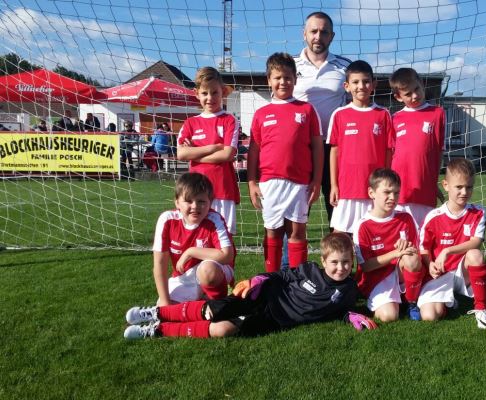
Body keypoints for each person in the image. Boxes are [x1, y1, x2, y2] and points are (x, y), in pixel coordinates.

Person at [124, 232, 377, 339]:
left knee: (221, 329)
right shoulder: (310, 269)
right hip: (264, 297)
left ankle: (157, 331)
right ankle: (156, 312)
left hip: (274, 320)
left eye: (346, 262)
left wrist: (351, 315)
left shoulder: (348, 290)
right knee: (212, 310)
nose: (341, 267)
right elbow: (282, 275)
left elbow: (341, 310)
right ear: (323, 261)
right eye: (335, 262)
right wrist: (259, 279)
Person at [248, 52, 323, 272]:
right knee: (272, 232)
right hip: (269, 183)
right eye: (278, 77)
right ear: (269, 80)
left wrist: (317, 180)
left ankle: (297, 281)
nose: (283, 82)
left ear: (295, 79)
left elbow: (318, 148)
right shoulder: (261, 113)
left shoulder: (307, 110)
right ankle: (272, 281)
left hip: (299, 183)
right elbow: (254, 150)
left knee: (297, 232)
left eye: (288, 77)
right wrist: (251, 182)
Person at [418, 158, 486, 329]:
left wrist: (447, 251)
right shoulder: (433, 216)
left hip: (462, 272)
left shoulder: (478, 212)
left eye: (469, 187)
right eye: (458, 187)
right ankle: (448, 303)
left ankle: (481, 309)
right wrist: (429, 264)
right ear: (445, 185)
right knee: (429, 316)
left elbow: (476, 242)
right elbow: (423, 248)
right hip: (439, 274)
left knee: (475, 255)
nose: (464, 192)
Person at [294, 11, 350, 224]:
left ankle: (339, 247)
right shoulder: (290, 65)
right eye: (314, 31)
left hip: (334, 147)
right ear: (304, 34)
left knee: (337, 209)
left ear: (332, 36)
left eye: (324, 32)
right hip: (301, 147)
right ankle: (292, 248)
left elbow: (353, 105)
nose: (318, 36)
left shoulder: (345, 66)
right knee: (297, 210)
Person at [327, 59, 395, 234]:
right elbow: (334, 151)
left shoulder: (383, 114)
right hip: (347, 188)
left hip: (375, 189)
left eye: (366, 81)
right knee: (340, 237)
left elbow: (389, 151)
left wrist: (386, 183)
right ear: (347, 86)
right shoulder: (339, 114)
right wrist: (334, 185)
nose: (361, 86)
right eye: (355, 82)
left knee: (374, 237)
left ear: (374, 85)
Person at [152, 172, 235, 306]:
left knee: (207, 271)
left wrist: (191, 252)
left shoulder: (214, 219)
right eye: (188, 201)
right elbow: (159, 265)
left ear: (210, 202)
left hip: (216, 270)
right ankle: (199, 306)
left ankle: (218, 304)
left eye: (201, 201)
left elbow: (227, 256)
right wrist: (165, 302)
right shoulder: (167, 220)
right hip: (184, 277)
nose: (195, 206)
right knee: (166, 307)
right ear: (177, 202)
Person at [354, 168, 423, 322]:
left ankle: (411, 302)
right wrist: (395, 253)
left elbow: (415, 254)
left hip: (401, 272)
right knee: (388, 316)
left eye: (396, 193)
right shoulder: (363, 226)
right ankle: (394, 301)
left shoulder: (405, 218)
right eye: (387, 192)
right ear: (371, 193)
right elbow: (365, 266)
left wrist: (407, 248)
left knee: (411, 257)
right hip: (377, 277)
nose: (392, 197)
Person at [177, 67, 240, 235]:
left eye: (215, 92)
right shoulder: (190, 123)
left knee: (224, 238)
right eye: (205, 93)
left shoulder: (230, 120)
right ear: (196, 93)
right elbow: (181, 154)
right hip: (195, 193)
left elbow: (227, 154)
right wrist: (211, 148)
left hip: (222, 190)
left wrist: (195, 153)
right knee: (196, 235)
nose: (210, 98)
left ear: (223, 92)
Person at [389, 67, 446, 228]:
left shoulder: (438, 113)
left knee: (424, 232)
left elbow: (439, 150)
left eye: (416, 89)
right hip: (400, 187)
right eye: (408, 94)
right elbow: (391, 153)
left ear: (422, 84)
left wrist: (434, 180)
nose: (414, 96)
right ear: (398, 97)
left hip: (425, 185)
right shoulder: (395, 118)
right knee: (401, 231)